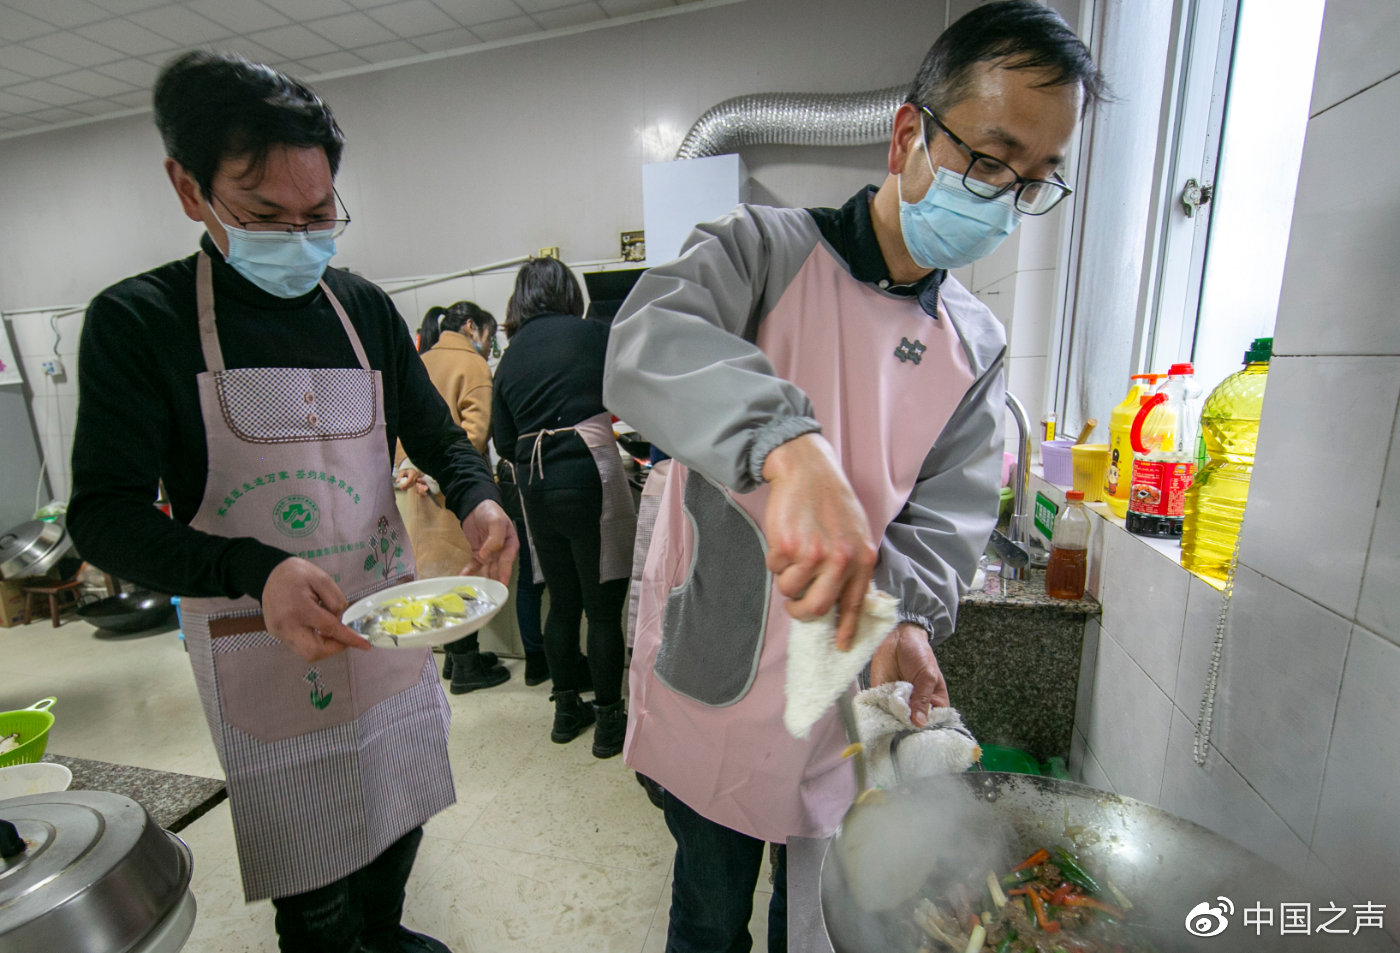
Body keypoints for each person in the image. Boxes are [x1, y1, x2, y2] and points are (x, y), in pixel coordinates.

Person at [602, 3, 1105, 949]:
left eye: (1036, 180)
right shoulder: (762, 251)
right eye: (990, 161)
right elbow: (648, 343)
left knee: (820, 918)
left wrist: (906, 617)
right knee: (708, 914)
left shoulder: (975, 343)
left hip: (848, 690)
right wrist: (787, 445)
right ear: (908, 134)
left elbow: (944, 517)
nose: (1006, 199)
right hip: (723, 666)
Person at [66, 51, 517, 953]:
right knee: (314, 882)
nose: (299, 239)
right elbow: (103, 515)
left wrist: (478, 497)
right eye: (266, 216)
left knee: (399, 812)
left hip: (388, 628)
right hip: (263, 645)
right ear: (189, 189)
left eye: (318, 215)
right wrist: (251, 567)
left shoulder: (363, 310)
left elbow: (436, 437)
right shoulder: (142, 321)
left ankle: (385, 932)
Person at [492, 257, 637, 758]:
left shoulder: (510, 356)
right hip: (589, 474)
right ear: (567, 291)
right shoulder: (593, 334)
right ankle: (609, 723)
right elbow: (633, 399)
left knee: (561, 601)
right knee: (603, 609)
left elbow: (504, 440)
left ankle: (566, 709)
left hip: (535, 486)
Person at [394, 301, 512, 693]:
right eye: (489, 337)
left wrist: (413, 471)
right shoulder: (473, 365)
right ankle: (466, 667)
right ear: (472, 327)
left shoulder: (422, 359)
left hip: (416, 491)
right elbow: (474, 433)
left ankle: (455, 659)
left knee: (439, 576)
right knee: (465, 573)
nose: (489, 347)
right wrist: (442, 476)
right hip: (455, 491)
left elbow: (400, 430)